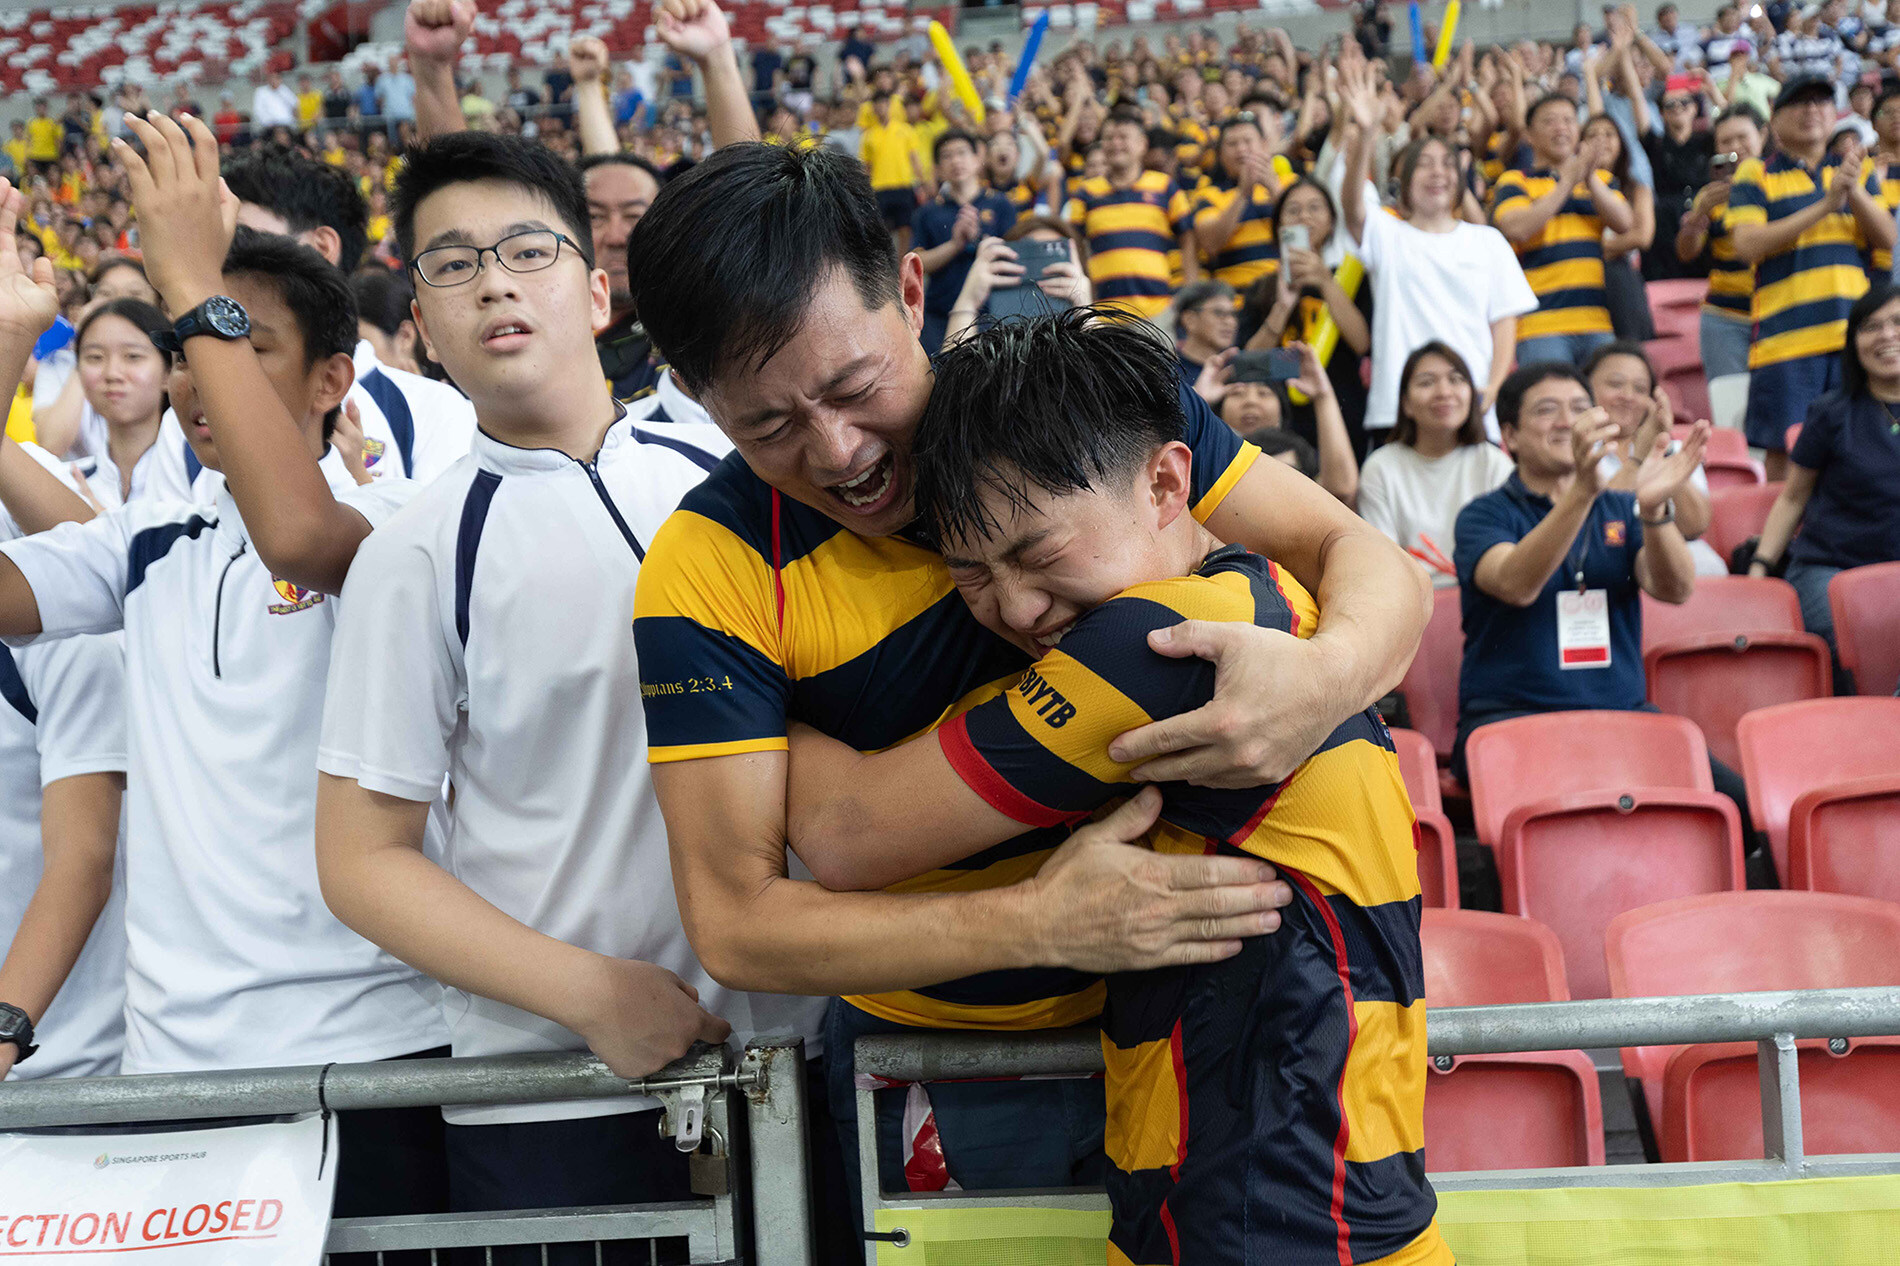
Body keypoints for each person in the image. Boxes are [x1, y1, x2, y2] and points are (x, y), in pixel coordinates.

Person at [627, 137, 1431, 1232]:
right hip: (951, 1072)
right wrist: (1042, 922)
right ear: (691, 396)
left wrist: (1325, 680)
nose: (840, 450)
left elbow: (1359, 555)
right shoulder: (707, 572)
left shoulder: (1071, 397)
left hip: (1196, 1025)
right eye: (767, 426)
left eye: (856, 388)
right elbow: (738, 927)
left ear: (912, 289)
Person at [783, 310, 1451, 1266]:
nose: (1015, 609)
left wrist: (738, 680)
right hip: (1317, 1202)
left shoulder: (1156, 649)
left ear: (1168, 480)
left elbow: (844, 834)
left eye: (1040, 554)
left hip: (1269, 1225)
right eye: (971, 573)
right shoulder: (1271, 592)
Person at [314, 127, 829, 1266]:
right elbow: (361, 859)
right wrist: (592, 994)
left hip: (796, 1046)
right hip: (562, 1089)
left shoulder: (733, 473)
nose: (492, 278)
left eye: (525, 249)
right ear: (424, 327)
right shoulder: (415, 554)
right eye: (451, 263)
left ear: (598, 291)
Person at [1, 112, 451, 1237]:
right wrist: (8, 340)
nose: (201, 376)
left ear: (334, 378)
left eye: (240, 347)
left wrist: (194, 274)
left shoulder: (397, 520)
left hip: (371, 1053)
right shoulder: (147, 538)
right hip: (179, 1077)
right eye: (191, 345)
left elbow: (298, 535)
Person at [1452, 363, 1734, 800]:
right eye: (1547, 410)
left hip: (1622, 718)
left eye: (1580, 408)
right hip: (1512, 723)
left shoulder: (1621, 507)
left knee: (1740, 808)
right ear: (1509, 436)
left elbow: (1675, 588)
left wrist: (1656, 511)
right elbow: (1515, 584)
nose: (1567, 421)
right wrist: (1583, 491)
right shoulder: (1483, 515)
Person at [1338, 57, 1538, 438]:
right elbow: (1352, 207)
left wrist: (1493, 387)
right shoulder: (1387, 232)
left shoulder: (1488, 241)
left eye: (1447, 164)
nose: (1438, 173)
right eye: (1425, 164)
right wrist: (1366, 135)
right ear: (1405, 181)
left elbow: (1504, 325)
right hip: (1397, 409)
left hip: (1472, 408)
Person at [1727, 73, 1894, 479]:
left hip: (1853, 340)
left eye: (1821, 101)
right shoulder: (1755, 173)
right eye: (1799, 102)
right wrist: (1826, 204)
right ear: (1775, 117)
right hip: (1785, 341)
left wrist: (1850, 189)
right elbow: (1747, 245)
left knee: (1866, 449)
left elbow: (1888, 236)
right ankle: (1780, 543)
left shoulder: (1857, 170)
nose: (1812, 110)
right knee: (1786, 457)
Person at [1749, 283, 1900, 685]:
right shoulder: (1832, 413)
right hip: (1834, 568)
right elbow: (1793, 498)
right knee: (1863, 642)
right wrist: (1760, 569)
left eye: (1897, 323)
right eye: (1871, 326)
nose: (1887, 336)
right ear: (1853, 343)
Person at [1489, 92, 1634, 366]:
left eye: (1568, 120)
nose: (1561, 128)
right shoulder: (1514, 180)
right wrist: (1567, 182)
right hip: (1540, 326)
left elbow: (1625, 223)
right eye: (1550, 122)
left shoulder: (1601, 179)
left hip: (1596, 321)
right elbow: (1517, 228)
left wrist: (1588, 177)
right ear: (1529, 136)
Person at [1359, 342, 1516, 587]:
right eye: (1426, 382)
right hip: (1409, 600)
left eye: (1456, 379)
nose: (1444, 392)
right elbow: (1383, 564)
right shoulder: (1380, 468)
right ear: (1406, 404)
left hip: (1482, 595)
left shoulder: (1493, 463)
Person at [1239, 176, 1374, 459]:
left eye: (1315, 208)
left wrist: (1326, 282)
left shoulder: (1349, 279)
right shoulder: (1260, 289)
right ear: (1279, 226)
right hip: (1278, 423)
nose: (1305, 217)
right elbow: (1249, 365)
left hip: (1341, 412)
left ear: (1331, 221)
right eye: (1293, 210)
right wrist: (1283, 307)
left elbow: (1362, 343)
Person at [1581, 340, 1723, 575]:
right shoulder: (1576, 451)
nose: (1628, 396)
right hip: (1600, 553)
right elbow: (1597, 525)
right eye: (1616, 384)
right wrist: (1639, 460)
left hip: (1668, 548)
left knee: (1711, 568)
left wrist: (1663, 448)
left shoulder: (1675, 449)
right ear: (1586, 389)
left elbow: (1695, 527)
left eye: (1640, 389)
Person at [1066, 107, 1196, 322]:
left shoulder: (1165, 186)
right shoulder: (1085, 193)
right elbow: (1075, 245)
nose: (1116, 143)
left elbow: (1188, 238)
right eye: (1108, 138)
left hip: (1159, 312)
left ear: (1142, 144)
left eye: (1123, 137)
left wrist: (1189, 292)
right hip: (1103, 314)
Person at [1676, 103, 1765, 380]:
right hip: (1724, 318)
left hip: (1778, 312)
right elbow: (1686, 253)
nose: (1735, 146)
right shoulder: (1708, 195)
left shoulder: (1782, 181)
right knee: (1731, 412)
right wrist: (1699, 215)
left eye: (1743, 137)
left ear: (1762, 136)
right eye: (1726, 141)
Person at [912, 129, 1016, 354]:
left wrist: (979, 239)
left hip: (994, 313)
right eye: (947, 156)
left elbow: (1014, 255)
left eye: (962, 153)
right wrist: (955, 245)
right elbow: (918, 262)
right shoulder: (927, 212)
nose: (956, 161)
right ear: (938, 169)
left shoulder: (1000, 203)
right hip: (940, 315)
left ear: (978, 160)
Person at [61, 299, 171, 510]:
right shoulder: (66, 484)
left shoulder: (203, 478)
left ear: (168, 372)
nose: (112, 373)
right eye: (95, 357)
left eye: (132, 356)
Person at [1582, 111, 1657, 341]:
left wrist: (1591, 251)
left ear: (1622, 144)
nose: (1601, 140)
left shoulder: (1637, 189)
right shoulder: (1570, 187)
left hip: (1621, 280)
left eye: (1609, 134)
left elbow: (1642, 237)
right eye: (1592, 135)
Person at [1190, 113, 1281, 294]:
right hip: (1235, 302)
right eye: (1232, 144)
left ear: (1264, 145)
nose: (1241, 149)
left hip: (1283, 291)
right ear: (1220, 154)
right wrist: (1243, 193)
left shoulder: (1288, 185)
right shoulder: (1207, 194)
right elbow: (1211, 244)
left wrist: (1275, 190)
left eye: (1248, 141)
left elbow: (1307, 236)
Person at [1174, 278, 1237, 381]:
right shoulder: (1168, 373)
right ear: (1190, 320)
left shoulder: (1236, 371)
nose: (1230, 322)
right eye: (1219, 313)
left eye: (1233, 314)